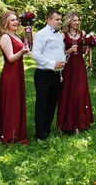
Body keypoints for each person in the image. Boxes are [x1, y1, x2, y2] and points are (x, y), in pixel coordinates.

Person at [0, 11, 29, 145]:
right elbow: (10, 58)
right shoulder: (5, 37)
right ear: (6, 23)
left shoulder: (16, 35)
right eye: (12, 20)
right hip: (11, 72)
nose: (16, 22)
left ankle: (17, 133)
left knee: (17, 102)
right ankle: (9, 135)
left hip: (18, 71)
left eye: (16, 20)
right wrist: (22, 52)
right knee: (11, 103)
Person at [56, 12, 94, 133]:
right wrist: (69, 50)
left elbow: (82, 51)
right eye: (74, 21)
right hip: (68, 67)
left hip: (80, 67)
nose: (77, 23)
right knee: (68, 91)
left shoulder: (82, 34)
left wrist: (87, 49)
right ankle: (68, 124)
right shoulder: (63, 35)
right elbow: (60, 53)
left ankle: (80, 123)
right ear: (69, 22)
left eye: (78, 20)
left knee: (80, 92)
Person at [31, 10, 66, 140]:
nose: (60, 22)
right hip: (44, 74)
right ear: (48, 20)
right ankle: (40, 134)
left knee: (52, 103)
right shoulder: (41, 34)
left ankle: (47, 129)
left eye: (60, 19)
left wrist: (60, 72)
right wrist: (52, 64)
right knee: (42, 104)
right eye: (57, 19)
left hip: (56, 74)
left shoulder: (59, 36)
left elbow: (59, 53)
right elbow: (35, 54)